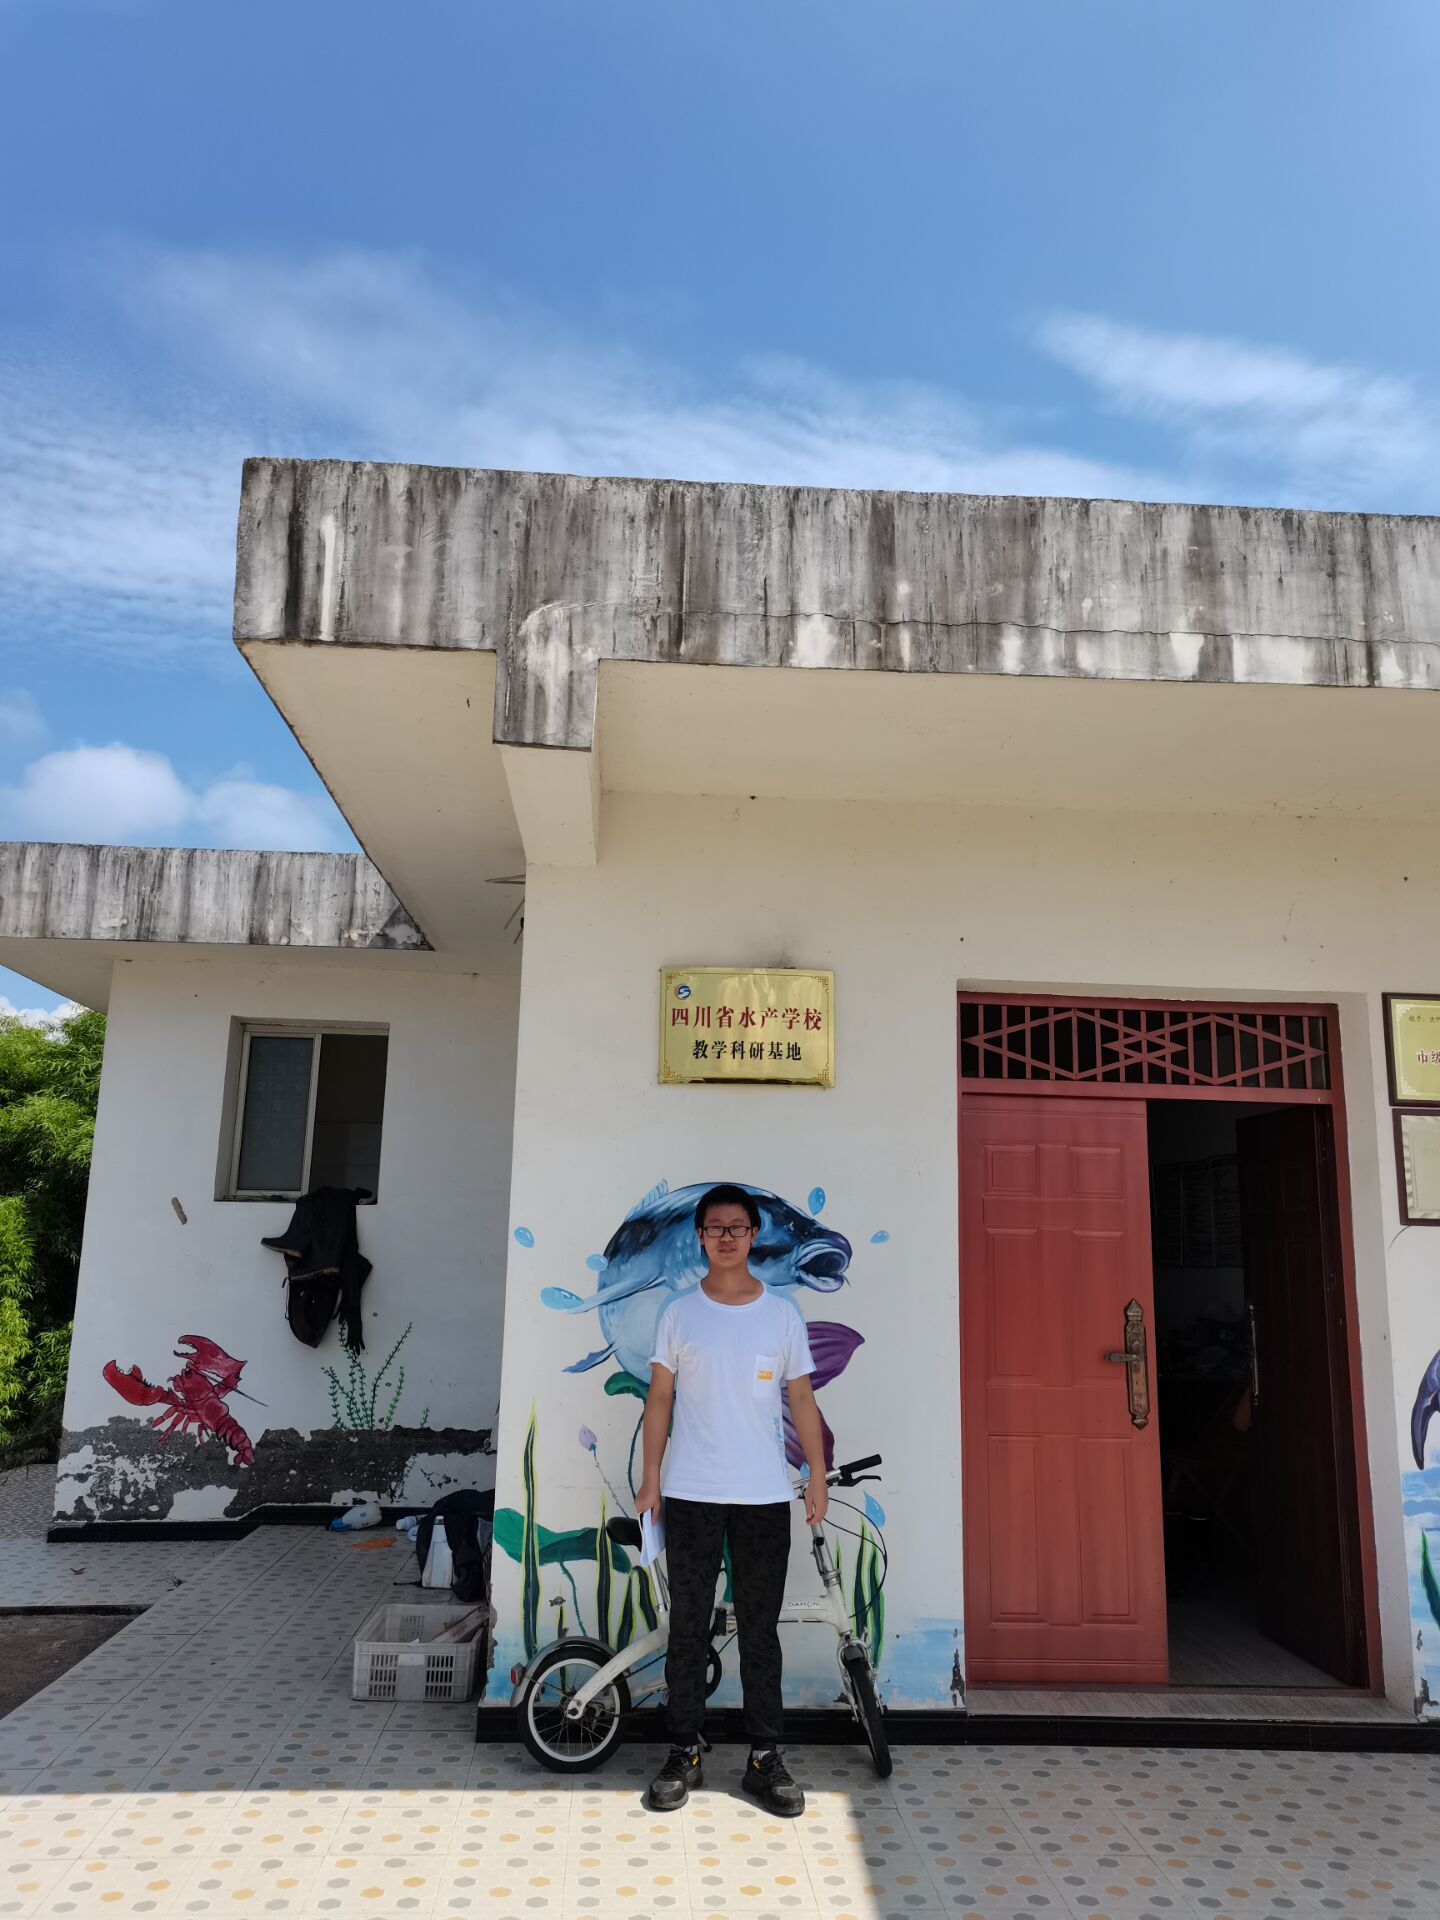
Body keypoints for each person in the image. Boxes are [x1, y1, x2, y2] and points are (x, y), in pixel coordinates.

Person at [636, 1182, 829, 1816]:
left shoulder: (781, 1314)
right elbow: (659, 1398)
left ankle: (764, 1757)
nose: (726, 1237)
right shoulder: (678, 1313)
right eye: (715, 1228)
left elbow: (801, 1398)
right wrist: (650, 1478)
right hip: (691, 1493)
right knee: (688, 1627)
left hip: (764, 1496)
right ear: (699, 1236)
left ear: (753, 1235)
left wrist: (818, 1474)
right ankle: (683, 1751)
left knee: (760, 1631)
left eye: (737, 1227)